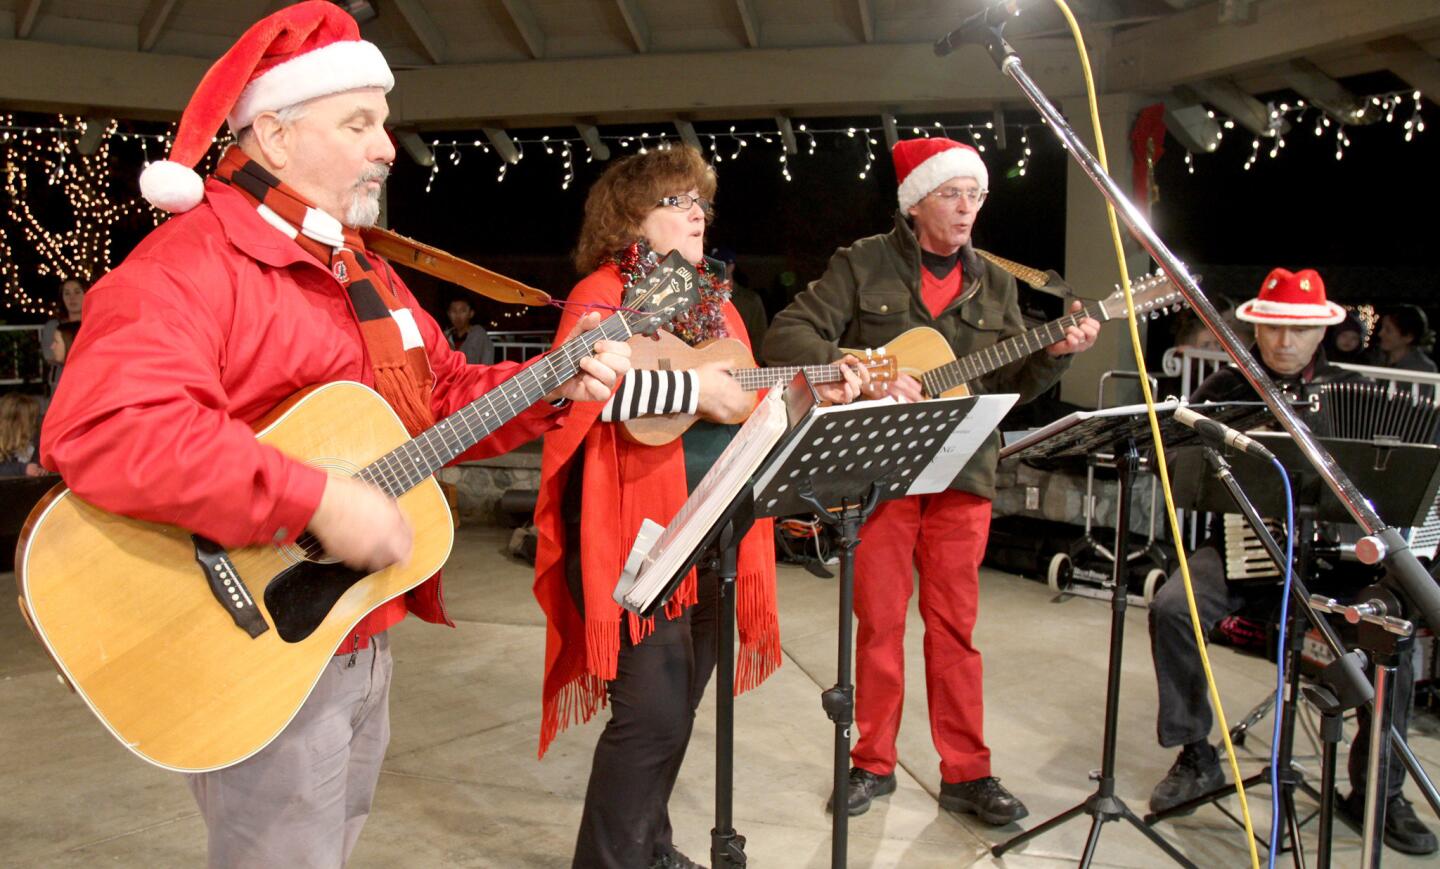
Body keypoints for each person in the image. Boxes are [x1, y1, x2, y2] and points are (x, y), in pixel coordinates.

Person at [39, 4, 629, 867]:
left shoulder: (362, 267)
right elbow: (107, 428)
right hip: (249, 647)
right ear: (274, 136)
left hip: (350, 627)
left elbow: (441, 395)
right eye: (360, 122)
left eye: (383, 121)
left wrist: (552, 383)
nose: (388, 145)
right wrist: (311, 496)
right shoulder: (188, 266)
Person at [532, 145, 863, 869]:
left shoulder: (719, 306)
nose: (697, 216)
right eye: (676, 203)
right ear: (629, 218)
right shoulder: (600, 296)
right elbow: (582, 396)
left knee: (678, 714)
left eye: (700, 204)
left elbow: (751, 402)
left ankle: (650, 845)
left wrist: (815, 392)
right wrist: (694, 393)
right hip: (636, 545)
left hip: (716, 539)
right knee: (649, 717)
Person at [762, 137, 1099, 823]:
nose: (967, 207)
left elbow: (1011, 379)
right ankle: (873, 762)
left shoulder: (998, 283)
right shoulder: (862, 263)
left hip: (964, 471)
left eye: (975, 196)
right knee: (879, 623)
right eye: (953, 194)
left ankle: (967, 772)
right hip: (881, 470)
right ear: (916, 202)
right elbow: (788, 337)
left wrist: (1055, 354)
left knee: (955, 627)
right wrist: (865, 369)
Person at [1146, 268, 1436, 855]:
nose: (1283, 342)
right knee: (1173, 606)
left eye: (1299, 330)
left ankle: (1378, 792)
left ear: (1321, 331)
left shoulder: (1356, 394)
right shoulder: (1224, 389)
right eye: (1273, 328)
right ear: (1255, 327)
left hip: (1339, 565)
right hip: (1244, 547)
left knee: (1397, 641)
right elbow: (1169, 468)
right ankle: (1194, 751)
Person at [41, 276, 86, 394]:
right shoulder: (53, 326)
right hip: (60, 383)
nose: (72, 298)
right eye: (67, 293)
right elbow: (50, 355)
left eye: (77, 292)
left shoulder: (94, 323)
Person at [1372, 305, 1437, 373]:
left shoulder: (1424, 369)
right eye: (1382, 328)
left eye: (1388, 330)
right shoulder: (1374, 359)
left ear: (1408, 337)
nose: (1380, 333)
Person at [0, 392, 45, 477]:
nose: (36, 422)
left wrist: (40, 470)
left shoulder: (35, 439)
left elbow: (38, 463)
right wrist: (23, 469)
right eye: (32, 418)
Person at [443, 296, 496, 364]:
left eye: (462, 311)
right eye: (453, 311)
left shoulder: (479, 335)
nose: (458, 316)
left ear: (471, 313)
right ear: (448, 314)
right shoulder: (445, 336)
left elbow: (488, 361)